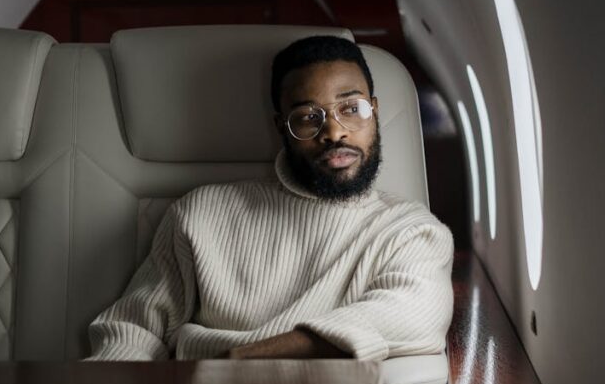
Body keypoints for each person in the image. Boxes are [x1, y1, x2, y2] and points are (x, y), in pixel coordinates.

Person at [86, 36, 454, 361]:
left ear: (374, 110)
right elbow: (133, 329)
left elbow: (414, 316)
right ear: (283, 128)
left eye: (351, 108)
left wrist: (242, 359)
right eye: (308, 117)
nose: (334, 131)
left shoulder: (410, 231)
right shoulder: (201, 213)